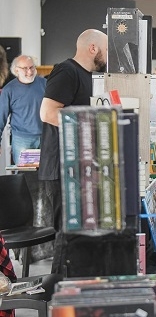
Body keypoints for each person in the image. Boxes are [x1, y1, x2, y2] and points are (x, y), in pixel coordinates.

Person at [38, 28, 108, 274]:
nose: (108, 57)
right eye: (106, 50)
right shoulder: (67, 71)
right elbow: (47, 112)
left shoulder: (90, 76)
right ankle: (57, 297)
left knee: (75, 235)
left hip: (76, 167)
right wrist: (89, 123)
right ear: (93, 48)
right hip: (60, 167)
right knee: (66, 236)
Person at [0, 55, 46, 164]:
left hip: (44, 137)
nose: (29, 72)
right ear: (16, 70)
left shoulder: (44, 83)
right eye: (25, 68)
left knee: (45, 175)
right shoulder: (9, 90)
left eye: (32, 67)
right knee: (23, 175)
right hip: (22, 140)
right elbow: (1, 117)